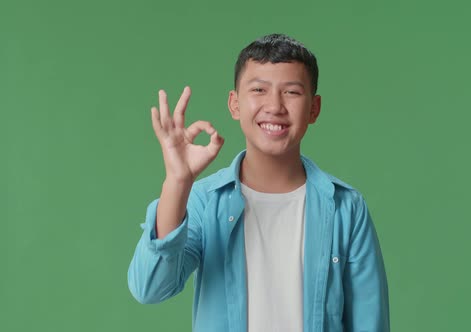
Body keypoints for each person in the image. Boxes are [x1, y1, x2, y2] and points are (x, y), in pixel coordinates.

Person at [128, 33, 390, 332]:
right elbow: (150, 288)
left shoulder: (347, 207)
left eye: (291, 92)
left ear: (314, 108)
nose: (275, 106)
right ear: (234, 104)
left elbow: (371, 323)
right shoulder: (204, 200)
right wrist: (177, 182)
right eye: (259, 90)